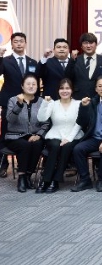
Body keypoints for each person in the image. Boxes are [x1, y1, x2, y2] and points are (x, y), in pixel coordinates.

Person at [1, 32, 41, 175]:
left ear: (25, 43)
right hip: (10, 102)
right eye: (16, 41)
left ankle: (24, 163)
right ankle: (3, 165)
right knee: (6, 132)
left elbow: (35, 82)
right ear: (12, 44)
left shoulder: (32, 62)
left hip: (29, 102)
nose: (19, 43)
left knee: (27, 131)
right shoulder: (5, 61)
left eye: (21, 41)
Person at [36, 78, 84, 193]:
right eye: (62, 88)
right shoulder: (53, 104)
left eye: (67, 88)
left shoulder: (78, 104)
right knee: (55, 146)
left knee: (66, 147)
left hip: (74, 136)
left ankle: (55, 180)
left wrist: (69, 138)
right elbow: (41, 118)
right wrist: (45, 103)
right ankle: (46, 180)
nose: (64, 91)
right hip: (55, 134)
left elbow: (79, 123)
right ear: (58, 90)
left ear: (72, 90)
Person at [4, 74, 48, 192]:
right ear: (22, 86)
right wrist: (19, 105)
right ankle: (22, 177)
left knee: (38, 144)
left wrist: (38, 135)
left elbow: (46, 123)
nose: (31, 86)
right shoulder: (13, 100)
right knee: (25, 145)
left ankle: (28, 175)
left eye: (34, 84)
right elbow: (10, 120)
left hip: (34, 135)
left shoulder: (41, 102)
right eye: (28, 84)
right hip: (15, 136)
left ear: (37, 86)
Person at [69, 32, 102, 101]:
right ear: (81, 46)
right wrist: (72, 60)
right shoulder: (75, 59)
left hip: (98, 98)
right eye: (85, 43)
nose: (88, 46)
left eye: (91, 43)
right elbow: (68, 76)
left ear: (96, 44)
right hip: (78, 98)